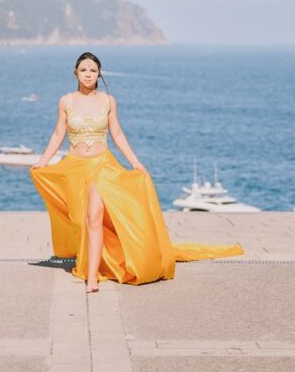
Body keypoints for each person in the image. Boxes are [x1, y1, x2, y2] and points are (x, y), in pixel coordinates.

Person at [30, 52, 243, 292]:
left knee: (93, 217)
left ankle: (91, 277)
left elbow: (117, 133)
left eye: (92, 70)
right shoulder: (66, 101)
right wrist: (43, 161)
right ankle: (96, 261)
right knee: (80, 221)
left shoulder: (109, 101)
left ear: (99, 73)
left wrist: (136, 162)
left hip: (102, 166)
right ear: (75, 73)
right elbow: (58, 134)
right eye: (83, 70)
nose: (88, 74)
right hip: (74, 167)